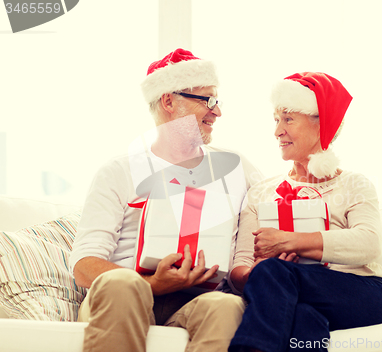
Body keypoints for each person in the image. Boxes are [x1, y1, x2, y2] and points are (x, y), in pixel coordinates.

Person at [69, 48, 262, 352]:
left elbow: (262, 228)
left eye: (218, 101)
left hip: (194, 303)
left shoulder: (239, 170)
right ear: (169, 101)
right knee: (123, 285)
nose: (217, 112)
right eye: (207, 100)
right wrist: (152, 284)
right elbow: (84, 266)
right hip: (126, 296)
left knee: (226, 306)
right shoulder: (119, 171)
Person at [227, 72, 382, 352]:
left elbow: (369, 243)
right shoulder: (261, 192)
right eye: (276, 120)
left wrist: (291, 241)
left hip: (363, 294)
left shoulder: (353, 183)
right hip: (292, 293)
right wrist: (253, 275)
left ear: (322, 125)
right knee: (303, 316)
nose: (277, 131)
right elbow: (240, 265)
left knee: (276, 273)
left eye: (288, 119)